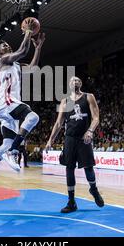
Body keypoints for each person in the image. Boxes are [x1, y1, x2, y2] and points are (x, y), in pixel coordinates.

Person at [0, 21, 44, 190]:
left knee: (5, 144)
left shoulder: (16, 65)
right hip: (7, 103)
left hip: (7, 109)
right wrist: (28, 32)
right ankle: (13, 151)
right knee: (33, 117)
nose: (6, 46)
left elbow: (33, 67)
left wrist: (39, 47)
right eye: (3, 46)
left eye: (6, 44)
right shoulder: (3, 61)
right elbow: (22, 51)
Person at [45, 76, 104, 213]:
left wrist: (90, 131)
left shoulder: (89, 97)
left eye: (77, 80)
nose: (75, 82)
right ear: (69, 85)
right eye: (73, 80)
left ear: (81, 83)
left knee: (88, 167)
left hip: (84, 137)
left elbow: (96, 118)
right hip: (70, 138)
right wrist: (50, 140)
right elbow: (59, 123)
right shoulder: (64, 101)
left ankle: (94, 190)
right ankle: (71, 202)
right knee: (69, 169)